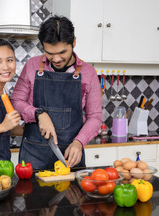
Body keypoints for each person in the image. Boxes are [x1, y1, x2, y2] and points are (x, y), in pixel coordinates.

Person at [11, 15, 102, 170]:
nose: (57, 59)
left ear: (73, 42)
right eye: (50, 53)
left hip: (70, 155)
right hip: (33, 155)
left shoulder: (89, 73)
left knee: (72, 194)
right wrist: (39, 114)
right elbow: (16, 101)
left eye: (62, 52)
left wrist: (79, 142)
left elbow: (95, 117)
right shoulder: (32, 65)